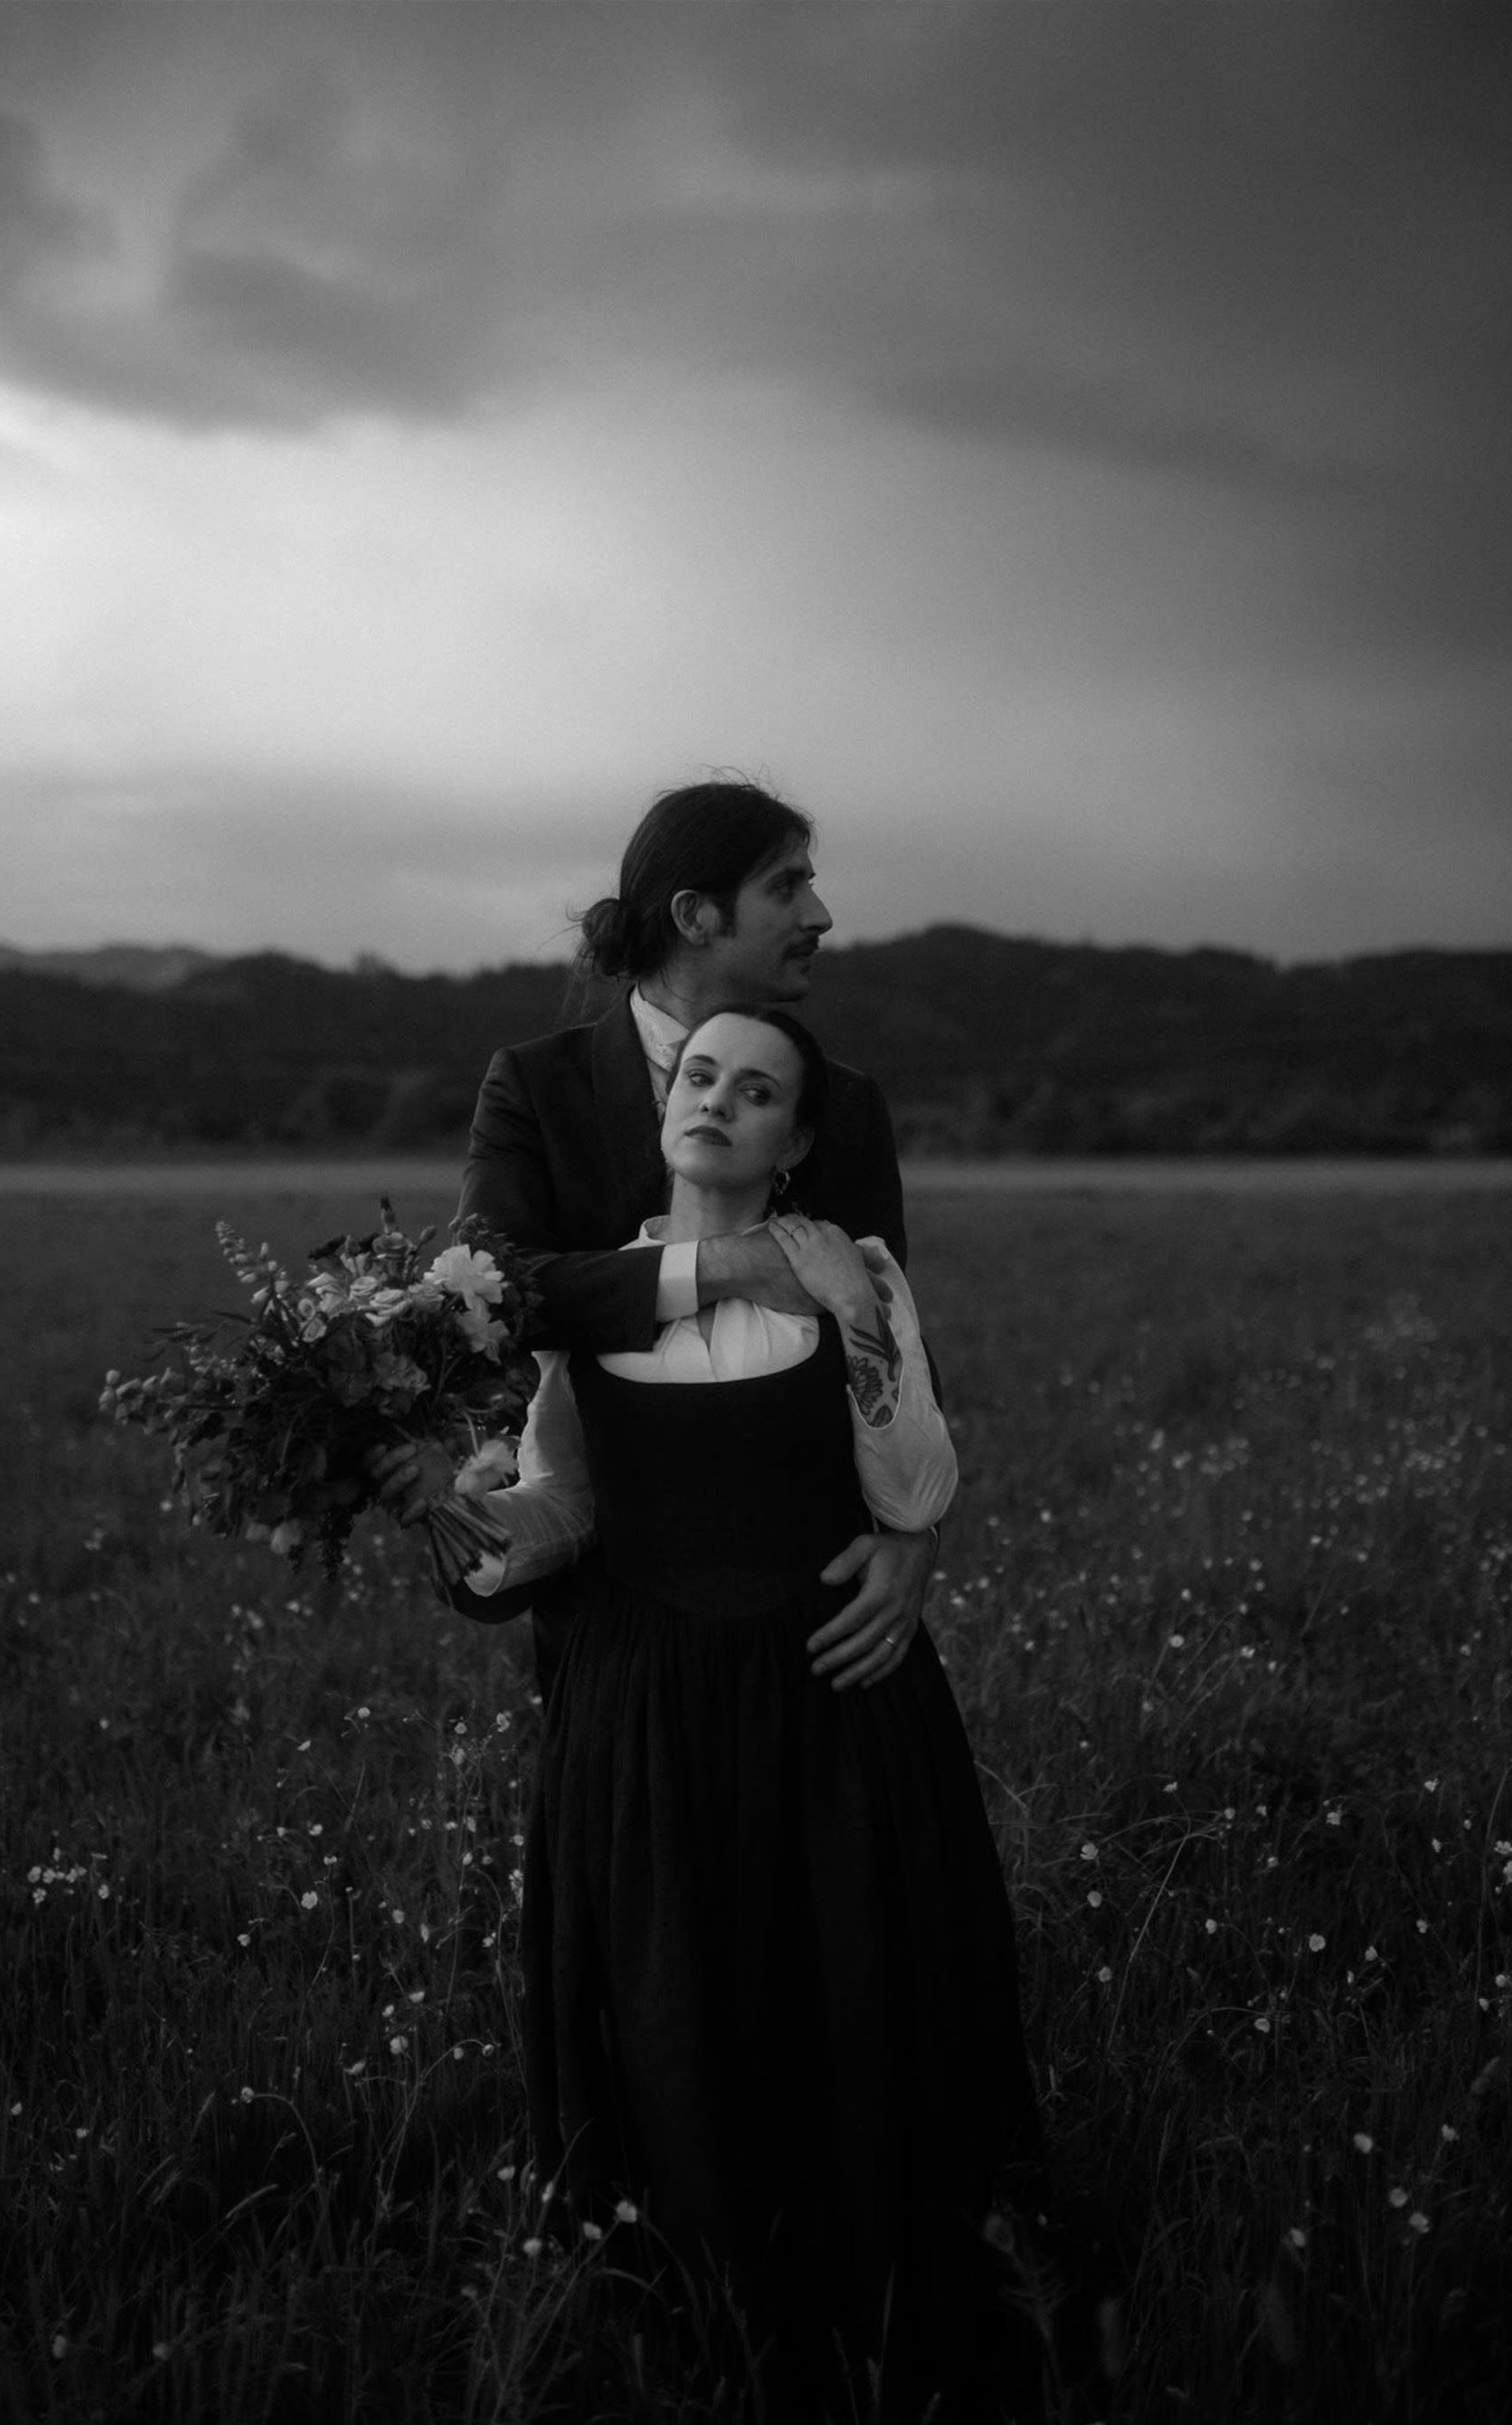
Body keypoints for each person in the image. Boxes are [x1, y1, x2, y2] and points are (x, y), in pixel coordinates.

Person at [377, 1007, 1045, 2420]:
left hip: (834, 1697)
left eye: (759, 1092)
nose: (720, 1101)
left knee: (849, 1990)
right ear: (664, 1100)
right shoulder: (594, 1290)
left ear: (798, 1139)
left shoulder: (851, 1268)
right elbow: (564, 1505)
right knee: (674, 1996)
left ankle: (871, 2311)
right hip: (644, 1706)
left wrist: (853, 1313)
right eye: (701, 1077)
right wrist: (463, 1523)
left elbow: (914, 1489)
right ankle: (688, 2311)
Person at [457, 778, 937, 1701]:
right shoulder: (534, 1086)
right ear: (696, 915)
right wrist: (721, 1267)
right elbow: (499, 1295)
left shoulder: (844, 1104)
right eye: (788, 887)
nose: (821, 915)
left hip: (822, 1615)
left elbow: (892, 1339)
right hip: (612, 1614)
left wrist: (916, 1538)